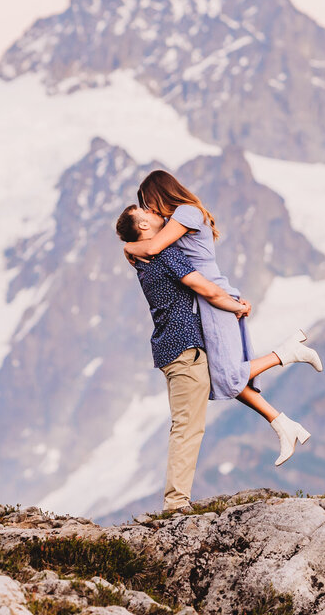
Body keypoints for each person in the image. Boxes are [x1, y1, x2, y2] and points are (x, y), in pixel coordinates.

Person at [122, 170, 322, 465]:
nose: (150, 211)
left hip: (215, 298)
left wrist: (128, 246)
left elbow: (151, 248)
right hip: (206, 303)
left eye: (149, 203)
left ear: (161, 194)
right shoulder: (176, 224)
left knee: (226, 375)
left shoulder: (187, 213)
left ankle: (287, 353)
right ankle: (283, 425)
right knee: (222, 376)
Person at [114, 204, 245, 511]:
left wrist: (130, 245)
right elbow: (204, 288)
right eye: (145, 211)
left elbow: (136, 247)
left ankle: (177, 498)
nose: (155, 212)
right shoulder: (166, 254)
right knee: (188, 426)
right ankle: (176, 502)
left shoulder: (141, 258)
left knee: (183, 424)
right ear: (144, 225)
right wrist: (236, 305)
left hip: (169, 347)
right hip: (185, 347)